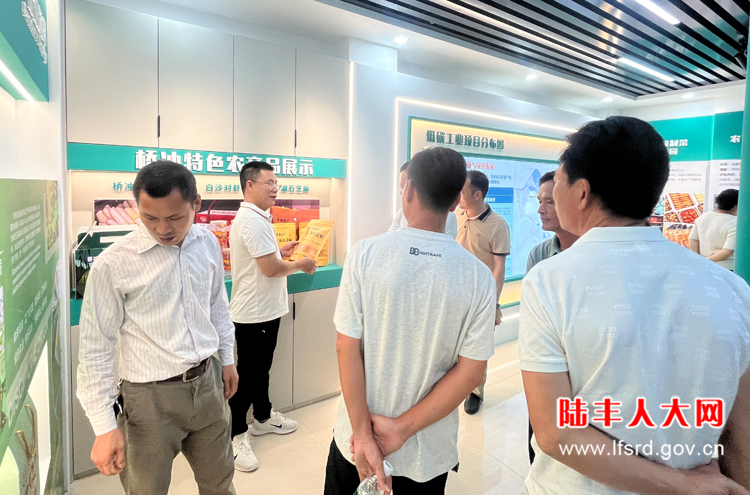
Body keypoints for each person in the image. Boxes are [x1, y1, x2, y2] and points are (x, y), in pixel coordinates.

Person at [519, 116, 750, 495]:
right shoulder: (733, 288)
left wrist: (681, 485)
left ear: (581, 193)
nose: (549, 198)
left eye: (557, 183)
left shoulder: (549, 282)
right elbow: (741, 428)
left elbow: (556, 432)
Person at [324, 147, 496, 495]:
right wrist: (401, 429)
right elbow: (471, 372)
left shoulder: (364, 254)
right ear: (455, 202)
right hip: (426, 454)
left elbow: (346, 346)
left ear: (408, 190)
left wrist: (363, 434)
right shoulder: (478, 276)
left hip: (356, 445)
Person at [77, 160, 239, 495]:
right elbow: (96, 347)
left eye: (175, 217)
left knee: (220, 483)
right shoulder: (114, 264)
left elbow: (217, 307)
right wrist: (104, 425)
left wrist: (227, 359)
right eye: (150, 217)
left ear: (195, 204)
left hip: (208, 384)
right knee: (147, 490)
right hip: (149, 399)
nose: (163, 228)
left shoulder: (207, 243)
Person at [228, 161, 317, 472]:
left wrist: (281, 249)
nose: (275, 188)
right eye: (269, 182)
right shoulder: (252, 221)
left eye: (276, 182)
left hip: (264, 310)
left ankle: (263, 417)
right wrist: (301, 264)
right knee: (248, 375)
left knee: (260, 370)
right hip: (254, 314)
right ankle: (236, 434)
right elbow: (270, 269)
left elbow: (265, 259)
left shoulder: (257, 218)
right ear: (250, 185)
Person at [524, 169, 579, 465]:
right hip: (547, 368)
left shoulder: (590, 254)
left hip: (583, 369)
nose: (540, 209)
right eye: (539, 201)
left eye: (550, 201)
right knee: (541, 446)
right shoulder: (539, 254)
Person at [455, 170, 510, 415]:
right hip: (455, 291)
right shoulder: (456, 215)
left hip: (480, 296)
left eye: (463, 191)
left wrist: (494, 303)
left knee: (477, 346)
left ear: (477, 195)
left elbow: (499, 268)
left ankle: (474, 392)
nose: (458, 196)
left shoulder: (498, 224)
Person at [389, 160, 458, 238]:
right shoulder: (402, 211)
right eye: (400, 186)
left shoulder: (447, 215)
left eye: (403, 187)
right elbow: (391, 232)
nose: (401, 192)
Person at [689, 188, 739, 271]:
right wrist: (706, 261)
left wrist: (699, 259)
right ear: (735, 205)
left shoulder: (702, 218)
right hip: (726, 268)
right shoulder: (735, 223)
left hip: (705, 267)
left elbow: (693, 239)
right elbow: (727, 252)